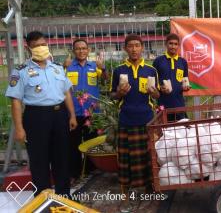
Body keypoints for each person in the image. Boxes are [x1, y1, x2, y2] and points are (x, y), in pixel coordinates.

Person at [5, 31, 77, 197]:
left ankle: (64, 195)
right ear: (28, 47)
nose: (41, 48)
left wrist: (72, 115)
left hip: (60, 116)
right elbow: (15, 101)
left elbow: (66, 93)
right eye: (36, 46)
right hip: (36, 118)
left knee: (61, 157)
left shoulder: (58, 68)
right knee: (39, 160)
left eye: (43, 44)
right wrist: (19, 128)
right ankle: (43, 198)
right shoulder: (21, 71)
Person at [110, 34, 160, 209]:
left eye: (137, 45)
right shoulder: (118, 70)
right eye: (130, 46)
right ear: (125, 48)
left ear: (142, 48)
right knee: (125, 160)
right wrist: (119, 93)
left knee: (147, 158)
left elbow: (157, 95)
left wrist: (154, 93)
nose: (134, 49)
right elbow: (112, 95)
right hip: (126, 120)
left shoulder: (151, 70)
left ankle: (149, 190)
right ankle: (125, 195)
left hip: (146, 119)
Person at [65, 39, 107, 181]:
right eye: (78, 49)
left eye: (84, 48)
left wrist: (104, 69)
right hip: (73, 113)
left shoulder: (95, 66)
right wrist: (63, 68)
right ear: (73, 51)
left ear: (88, 50)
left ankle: (92, 170)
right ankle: (75, 172)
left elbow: (106, 81)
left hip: (92, 112)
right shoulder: (68, 67)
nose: (81, 51)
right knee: (73, 144)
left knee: (92, 142)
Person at [153, 33, 191, 122]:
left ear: (178, 46)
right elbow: (153, 83)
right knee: (164, 132)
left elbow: (185, 81)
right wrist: (160, 88)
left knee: (181, 131)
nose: (173, 46)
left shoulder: (183, 62)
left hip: (179, 104)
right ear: (166, 44)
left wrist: (186, 87)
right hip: (163, 104)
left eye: (175, 44)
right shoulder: (158, 61)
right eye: (170, 43)